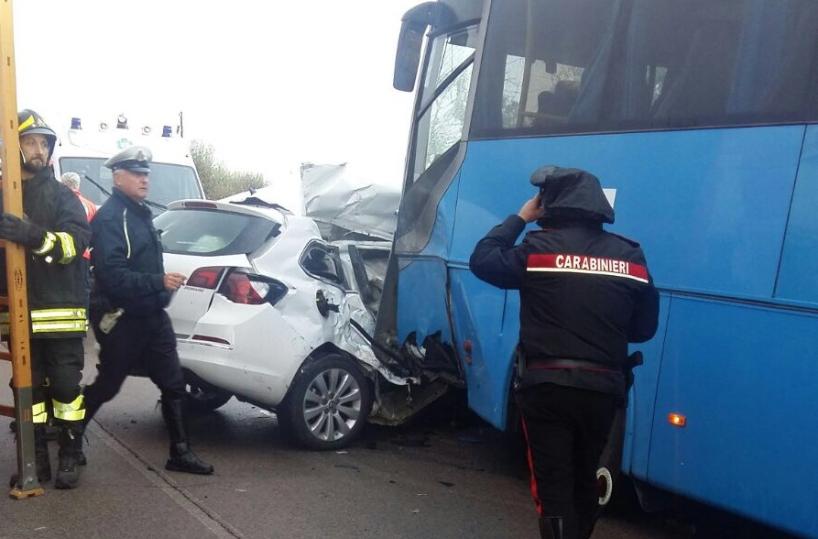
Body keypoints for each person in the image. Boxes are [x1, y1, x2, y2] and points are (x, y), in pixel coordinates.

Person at [469, 166, 659, 539]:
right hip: (604, 391)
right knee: (585, 480)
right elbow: (643, 330)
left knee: (553, 487)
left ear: (549, 205)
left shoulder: (537, 250)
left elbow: (483, 258)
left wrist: (521, 218)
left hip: (546, 389)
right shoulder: (631, 256)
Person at [82, 145, 213, 475]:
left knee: (173, 384)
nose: (145, 180)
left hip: (154, 317)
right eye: (137, 174)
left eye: (146, 174)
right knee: (108, 385)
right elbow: (112, 276)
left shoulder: (141, 213)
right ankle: (70, 435)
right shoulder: (112, 218)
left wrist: (159, 287)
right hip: (123, 318)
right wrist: (159, 281)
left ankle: (180, 453)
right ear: (118, 177)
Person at [0, 109, 91, 489]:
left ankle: (70, 452)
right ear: (12, 147)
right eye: (30, 141)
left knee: (67, 390)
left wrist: (33, 236)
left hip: (61, 314)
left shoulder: (62, 196)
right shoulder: (4, 197)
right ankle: (34, 457)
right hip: (19, 317)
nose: (38, 150)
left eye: (43, 143)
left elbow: (76, 242)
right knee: (30, 393)